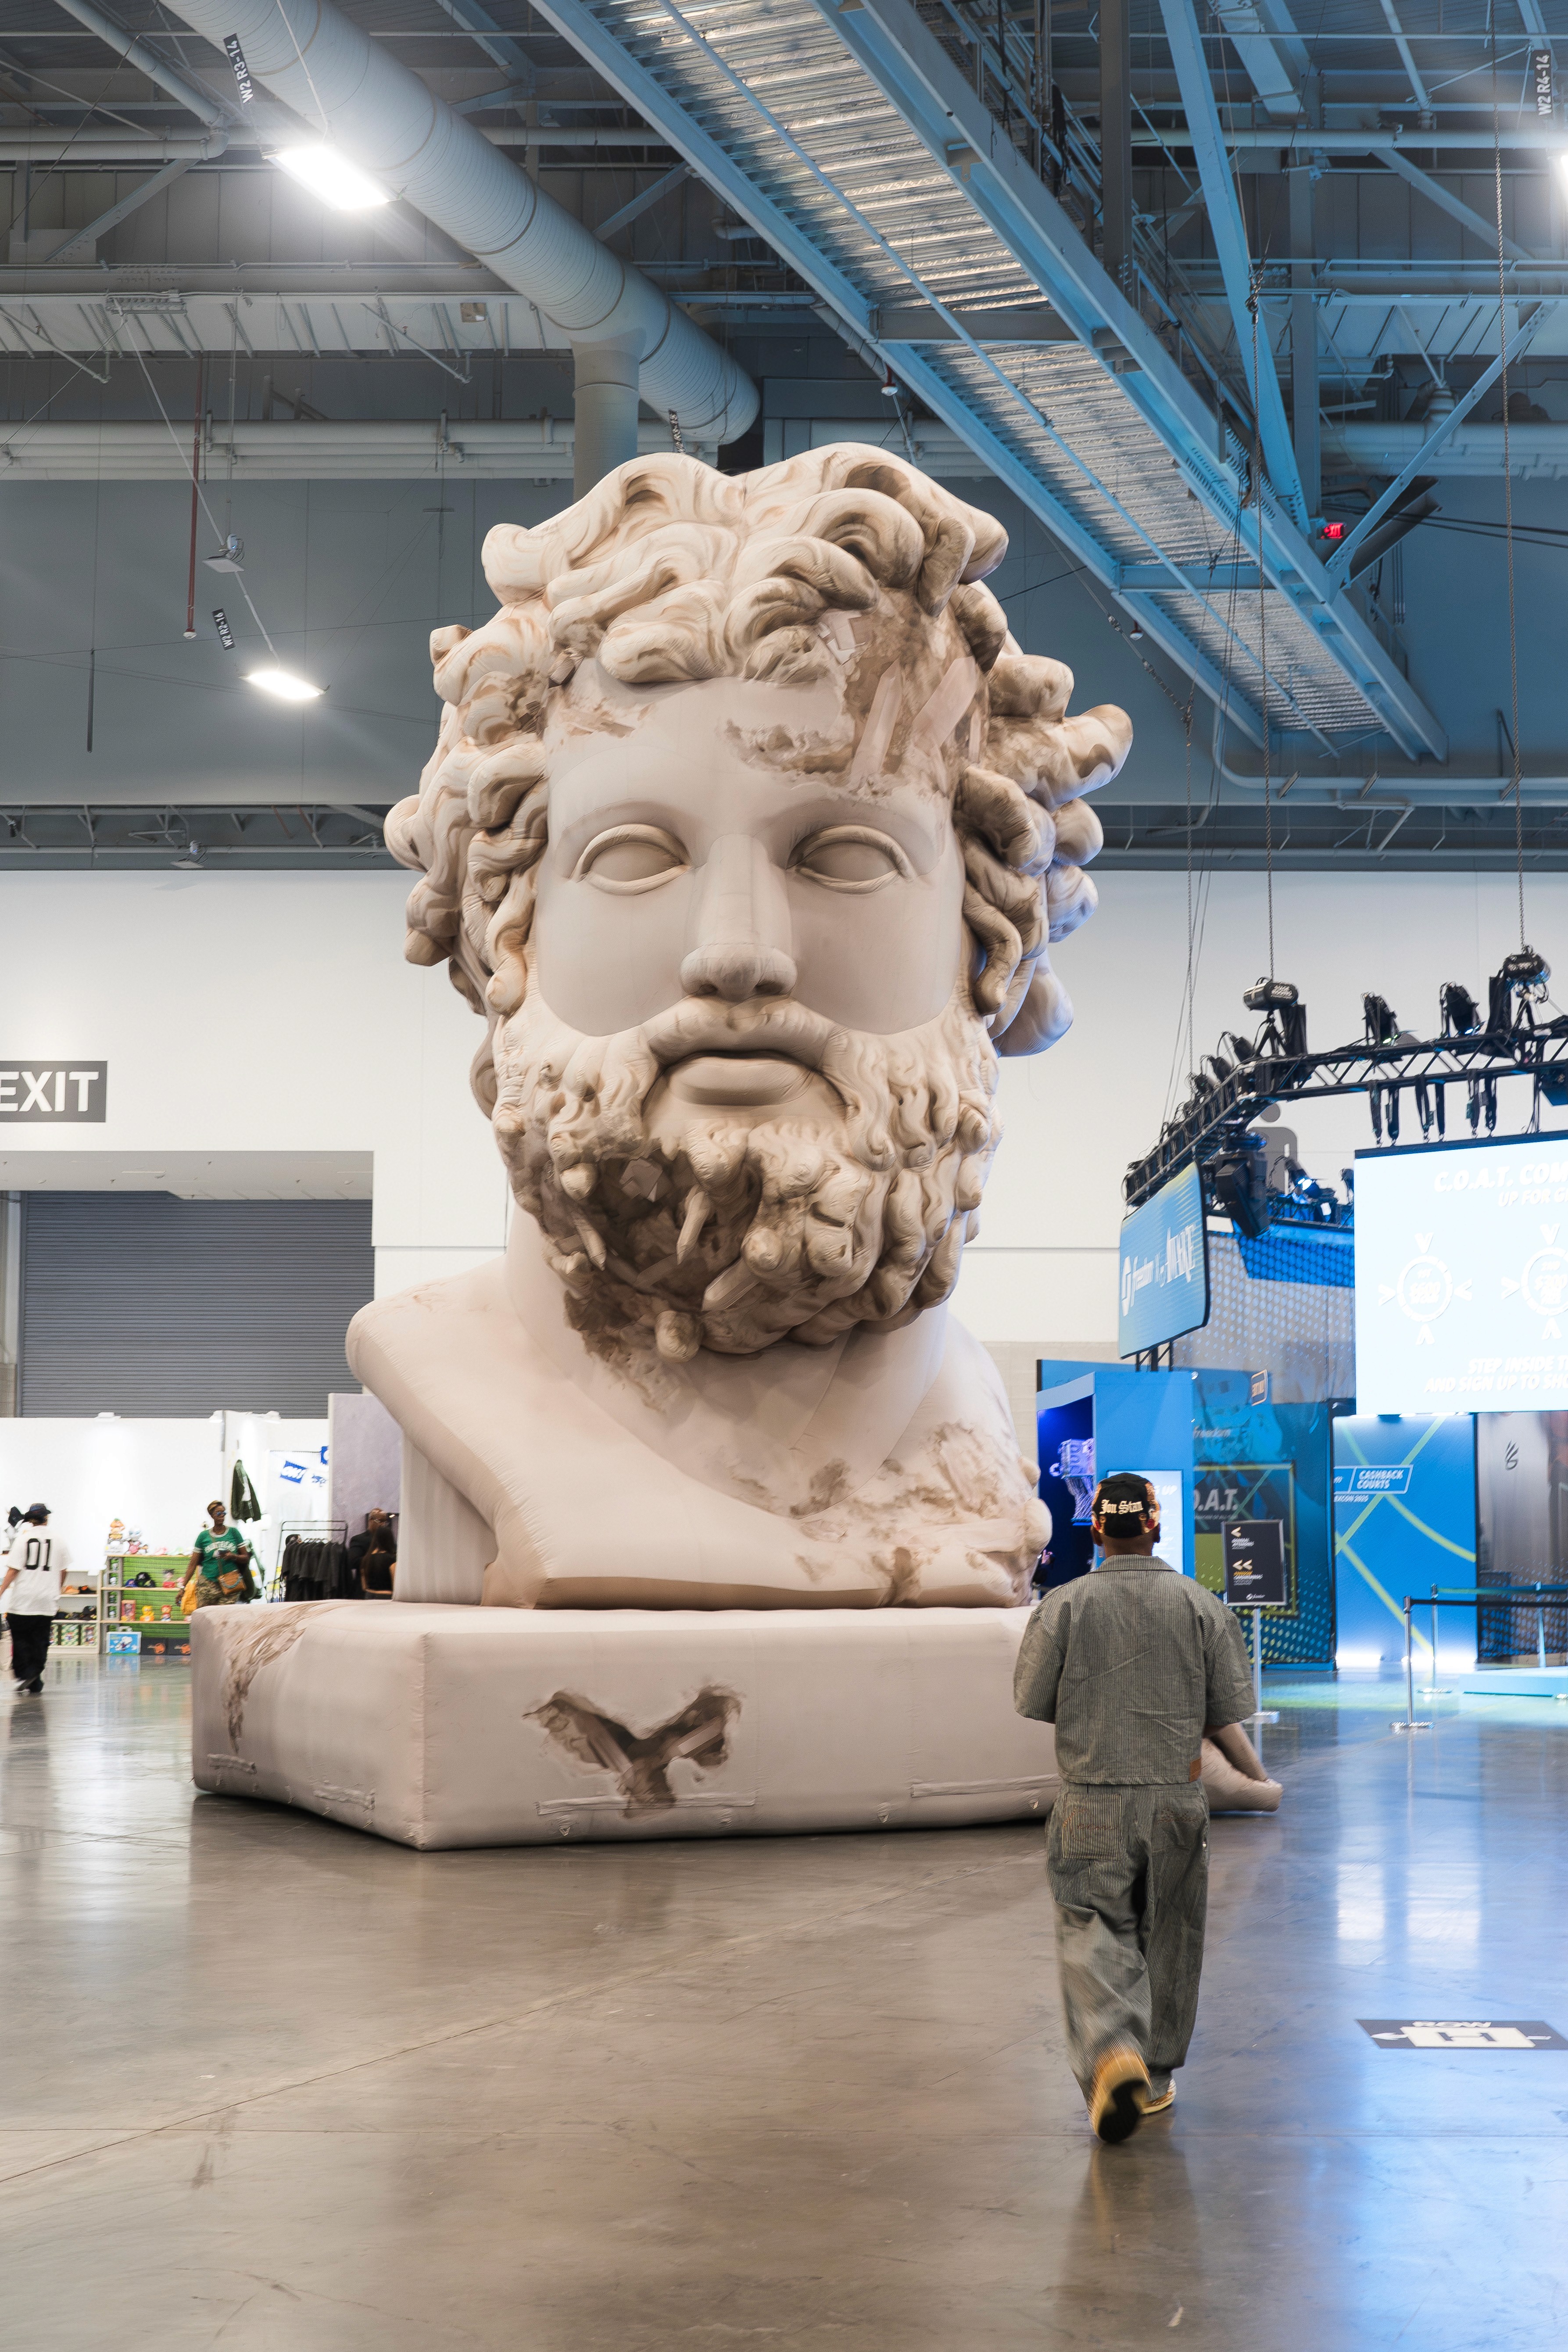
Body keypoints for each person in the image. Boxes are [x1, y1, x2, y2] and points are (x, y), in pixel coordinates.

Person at [1013, 1471, 1273, 2144]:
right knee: (1171, 1933)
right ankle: (1151, 2078)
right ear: (1154, 1527)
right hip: (1177, 1801)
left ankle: (1112, 2053)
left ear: (1096, 1529)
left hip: (1091, 1798)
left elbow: (1031, 1699)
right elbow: (1228, 1709)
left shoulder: (1062, 1606)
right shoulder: (1201, 1605)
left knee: (1091, 1925)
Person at [1, 1504, 67, 1694]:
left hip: (23, 1599)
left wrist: (2, 1590)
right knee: (41, 1640)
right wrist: (58, 1589)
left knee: (21, 1638)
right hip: (46, 1600)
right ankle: (35, 1679)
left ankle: (26, 1674)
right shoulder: (59, 1540)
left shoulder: (23, 1540)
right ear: (47, 1518)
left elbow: (13, 1570)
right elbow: (64, 1570)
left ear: (30, 1520)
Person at [186, 1500, 254, 1608]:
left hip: (231, 1583)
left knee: (224, 1616)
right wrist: (183, 1587)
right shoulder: (203, 1537)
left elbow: (246, 1557)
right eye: (219, 1513)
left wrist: (233, 1556)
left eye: (224, 1513)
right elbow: (193, 1564)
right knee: (205, 1615)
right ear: (212, 1515)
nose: (222, 1516)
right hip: (208, 1585)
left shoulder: (234, 1533)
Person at [347, 1508, 397, 1599]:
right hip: (365, 1591)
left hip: (386, 1587)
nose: (383, 1524)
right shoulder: (359, 1540)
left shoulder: (389, 1541)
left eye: (385, 1522)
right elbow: (353, 1562)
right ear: (370, 1521)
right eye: (379, 1521)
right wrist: (376, 1559)